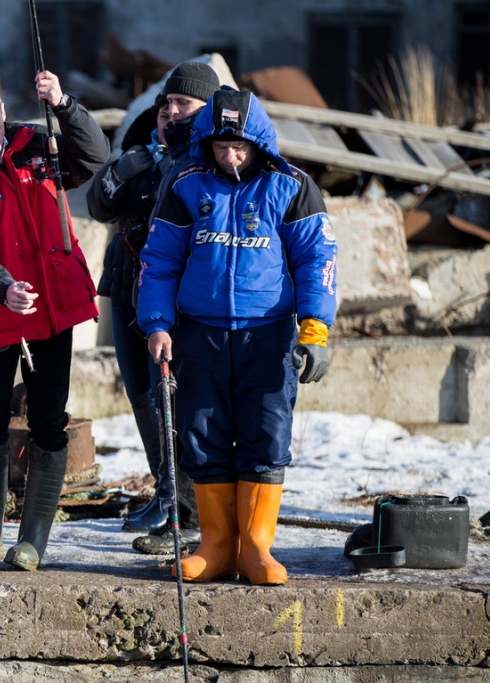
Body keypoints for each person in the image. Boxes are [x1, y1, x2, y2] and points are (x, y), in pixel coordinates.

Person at [137, 88, 337, 586]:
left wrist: (314, 330)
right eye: (222, 145)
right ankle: (217, 545)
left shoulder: (292, 186)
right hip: (199, 334)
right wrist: (157, 323)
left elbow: (318, 262)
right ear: (207, 141)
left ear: (259, 142)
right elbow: (159, 261)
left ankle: (255, 547)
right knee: (202, 434)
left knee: (265, 435)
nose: (231, 155)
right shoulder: (185, 184)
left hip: (267, 335)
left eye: (241, 146)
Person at [0, 72, 110, 571]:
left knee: (48, 420)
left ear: (3, 113)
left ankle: (33, 539)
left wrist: (66, 105)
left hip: (53, 307)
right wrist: (2, 287)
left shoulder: (40, 143)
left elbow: (94, 157)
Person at [88, 61, 220, 554]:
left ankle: (184, 504)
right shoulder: (145, 148)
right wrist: (124, 167)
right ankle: (165, 487)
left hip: (171, 303)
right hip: (125, 290)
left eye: (181, 105)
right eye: (166, 104)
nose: (169, 113)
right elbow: (100, 206)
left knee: (171, 399)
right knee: (141, 396)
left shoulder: (203, 160)